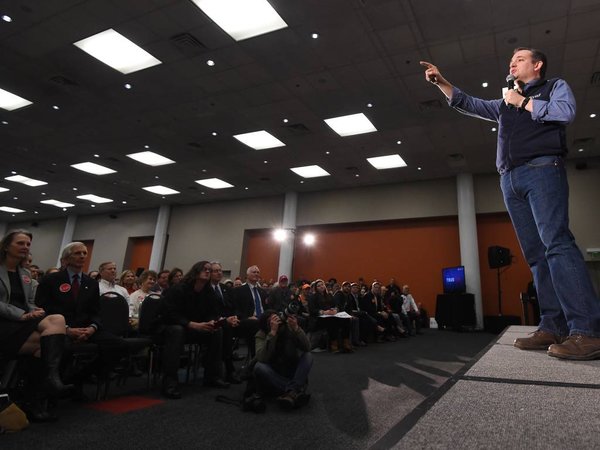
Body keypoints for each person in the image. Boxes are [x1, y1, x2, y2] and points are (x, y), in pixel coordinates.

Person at [421, 47, 600, 359]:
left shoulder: (553, 86)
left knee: (556, 244)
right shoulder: (505, 102)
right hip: (510, 179)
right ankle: (552, 325)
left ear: (537, 64)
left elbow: (565, 112)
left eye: (519, 58)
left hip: (542, 169)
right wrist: (441, 81)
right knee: (536, 255)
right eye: (511, 60)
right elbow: (467, 102)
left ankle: (587, 330)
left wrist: (526, 102)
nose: (512, 63)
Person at [0, 230, 72, 421]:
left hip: (21, 323)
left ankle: (48, 379)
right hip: (4, 323)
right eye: (20, 243)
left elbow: (29, 302)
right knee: (48, 345)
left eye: (28, 244)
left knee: (56, 320)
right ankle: (36, 399)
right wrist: (23, 314)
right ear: (7, 246)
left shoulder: (25, 274)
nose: (25, 247)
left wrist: (35, 311)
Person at [36, 242, 129, 387]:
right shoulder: (51, 280)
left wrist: (92, 327)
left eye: (84, 253)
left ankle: (77, 378)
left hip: (86, 328)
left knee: (118, 345)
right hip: (60, 328)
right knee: (61, 348)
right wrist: (67, 329)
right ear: (66, 258)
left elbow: (96, 312)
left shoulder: (91, 283)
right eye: (77, 253)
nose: (82, 256)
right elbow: (43, 309)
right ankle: (53, 387)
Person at [160, 261, 230, 399]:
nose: (208, 272)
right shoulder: (179, 289)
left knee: (216, 331)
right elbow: (169, 314)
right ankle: (170, 382)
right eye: (205, 269)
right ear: (196, 271)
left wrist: (211, 321)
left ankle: (212, 377)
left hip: (194, 328)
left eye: (210, 270)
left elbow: (212, 311)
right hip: (171, 326)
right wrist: (190, 324)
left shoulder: (208, 291)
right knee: (177, 331)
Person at [253, 309, 313, 410]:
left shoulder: (289, 328)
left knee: (308, 356)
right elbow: (262, 358)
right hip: (275, 371)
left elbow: (307, 347)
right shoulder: (262, 334)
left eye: (277, 318)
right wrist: (272, 333)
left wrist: (296, 328)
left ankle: (290, 391)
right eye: (272, 320)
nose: (276, 321)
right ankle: (295, 391)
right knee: (259, 367)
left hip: (290, 368)